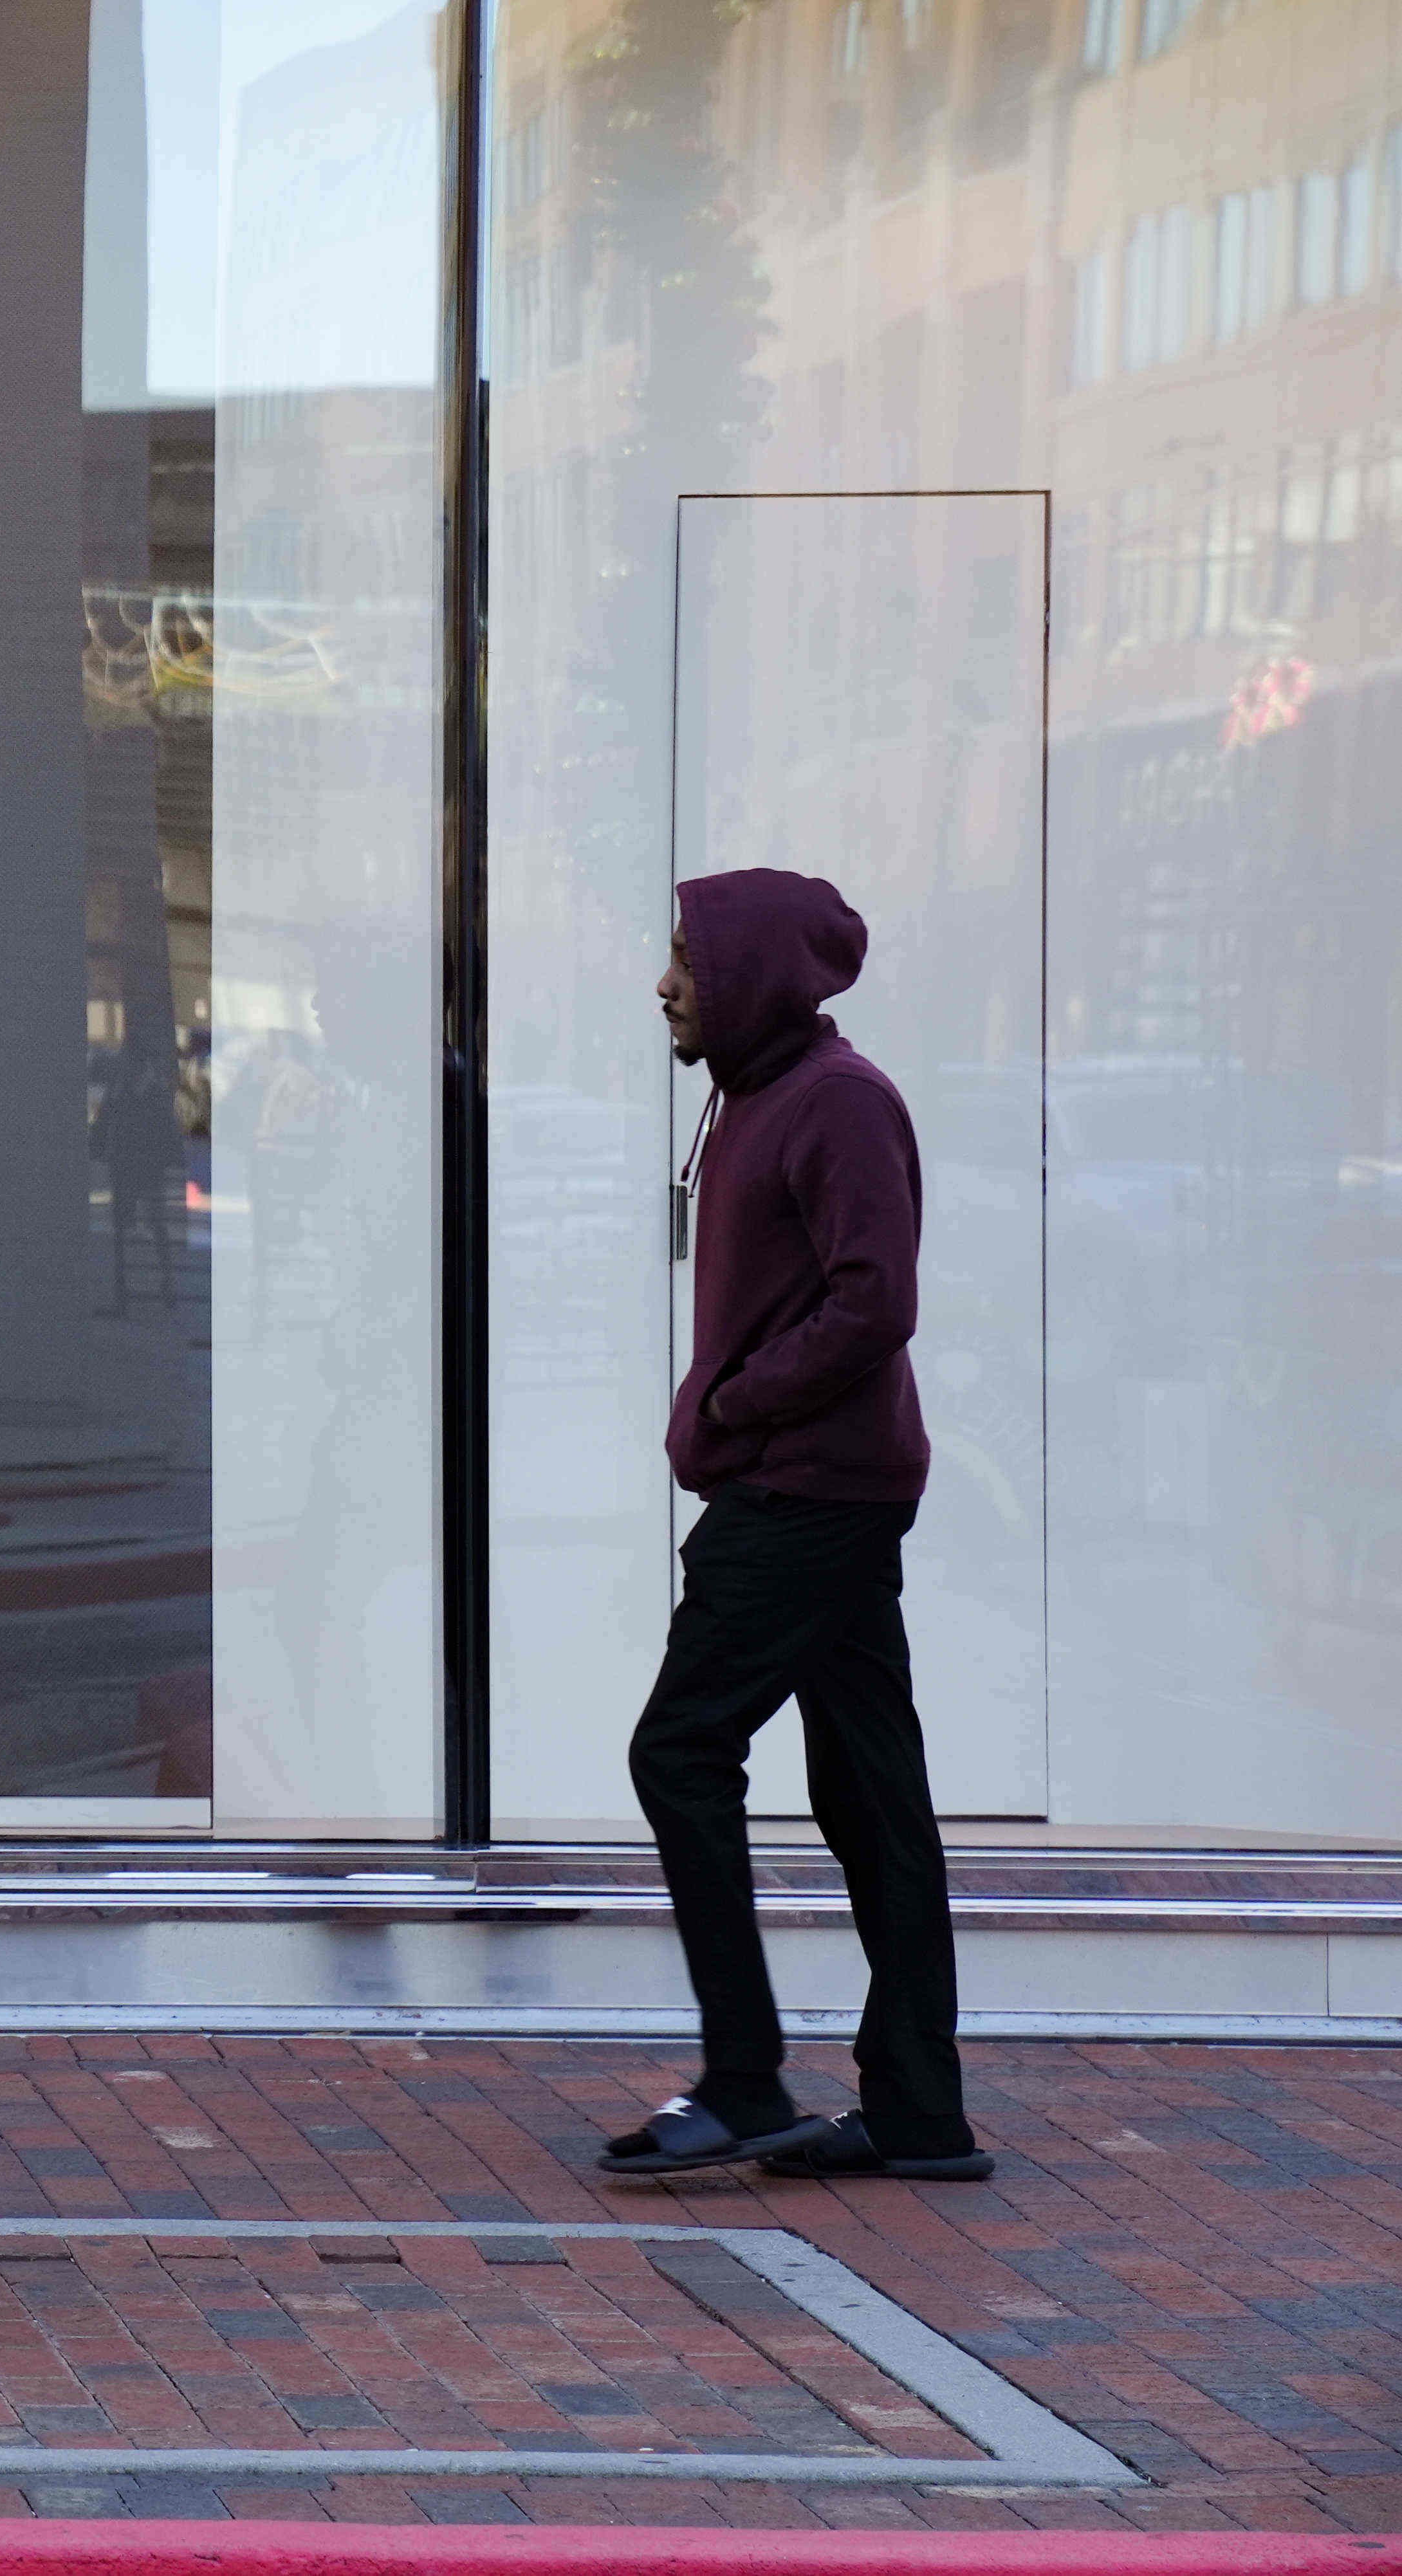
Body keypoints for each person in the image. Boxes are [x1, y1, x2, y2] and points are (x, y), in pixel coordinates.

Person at [600, 868, 990, 2185]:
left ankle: (747, 2078)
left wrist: (735, 1405)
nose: (666, 984)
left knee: (681, 1750)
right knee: (872, 1794)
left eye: (688, 963)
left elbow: (875, 1304)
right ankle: (921, 2112)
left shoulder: (840, 1104)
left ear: (754, 973)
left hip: (810, 1490)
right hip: (811, 1482)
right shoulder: (756, 1097)